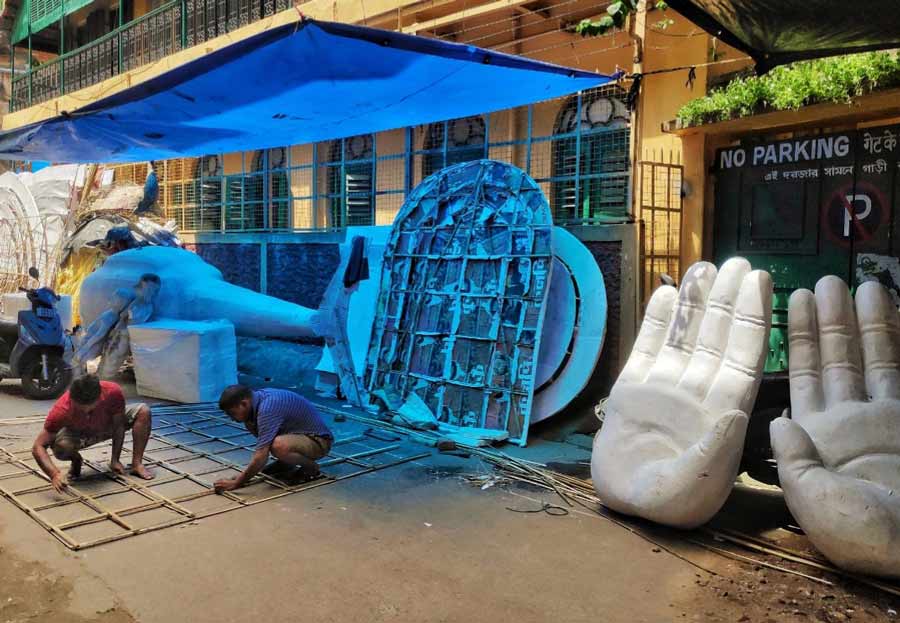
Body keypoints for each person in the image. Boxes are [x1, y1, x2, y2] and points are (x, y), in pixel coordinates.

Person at [32, 375, 154, 493]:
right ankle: (76, 460)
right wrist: (54, 474)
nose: (85, 411)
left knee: (144, 411)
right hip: (80, 433)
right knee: (61, 447)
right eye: (80, 408)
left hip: (105, 425)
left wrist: (115, 460)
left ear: (99, 397)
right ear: (72, 399)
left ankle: (136, 464)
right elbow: (38, 446)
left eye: (89, 407)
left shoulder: (113, 391)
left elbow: (119, 425)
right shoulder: (61, 410)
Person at [214, 385, 333, 493]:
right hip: (299, 435)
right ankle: (286, 463)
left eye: (232, 413)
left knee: (278, 446)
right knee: (249, 422)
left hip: (319, 440)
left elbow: (261, 455)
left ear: (244, 404)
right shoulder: (257, 401)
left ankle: (311, 468)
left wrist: (237, 482)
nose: (231, 418)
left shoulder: (267, 408)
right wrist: (247, 475)